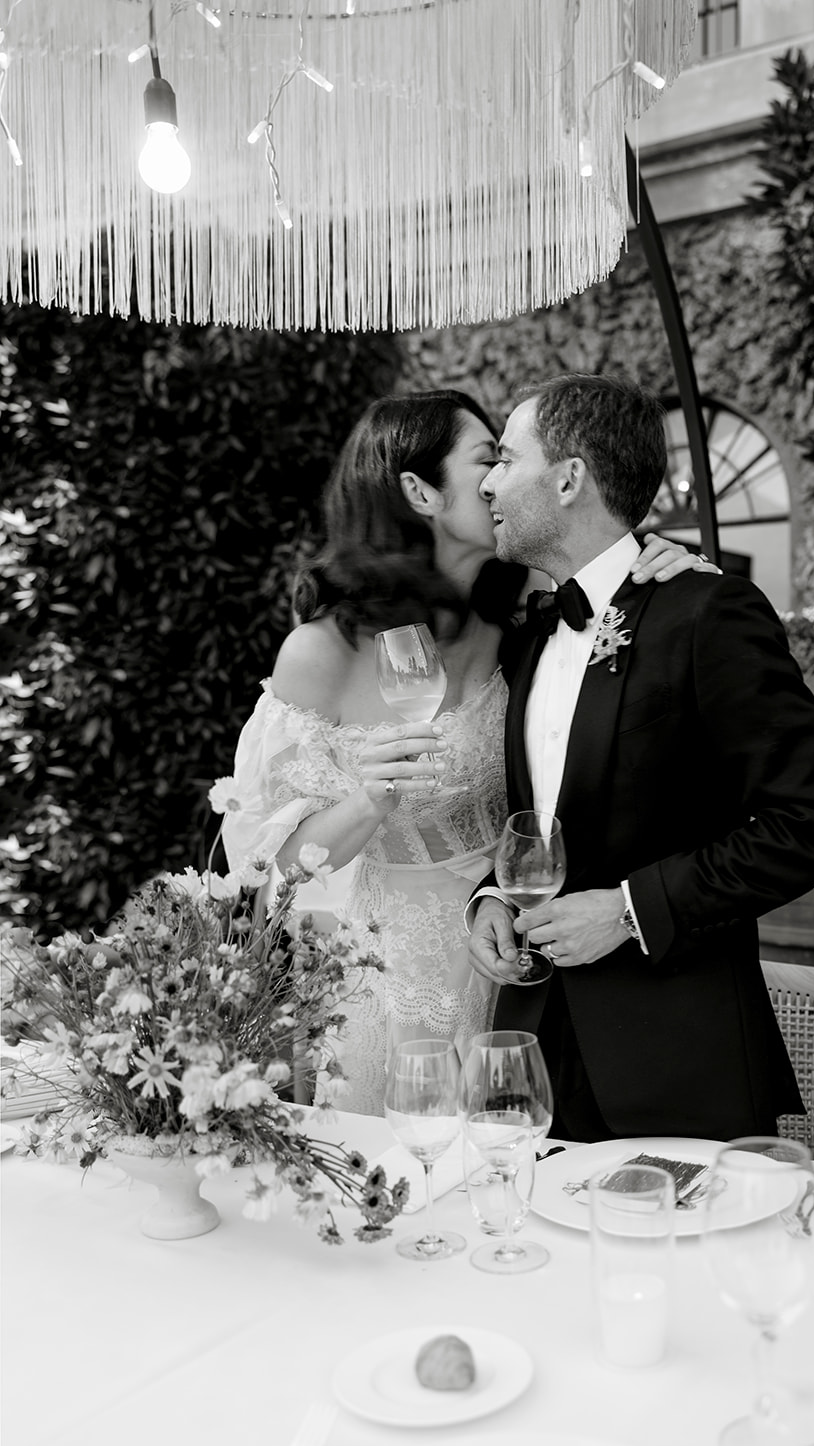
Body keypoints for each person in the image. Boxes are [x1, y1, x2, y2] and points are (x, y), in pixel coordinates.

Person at [217, 389, 711, 1113]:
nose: (500, 480)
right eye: (489, 460)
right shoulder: (321, 653)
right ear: (420, 492)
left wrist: (654, 559)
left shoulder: (525, 620)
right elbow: (267, 868)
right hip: (398, 969)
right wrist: (367, 801)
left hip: (525, 941)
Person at [467, 374, 814, 1142]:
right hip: (534, 1043)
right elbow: (554, 811)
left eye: (505, 460)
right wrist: (492, 895)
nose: (487, 483)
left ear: (568, 478)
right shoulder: (530, 633)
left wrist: (628, 911)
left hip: (674, 1055)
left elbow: (811, 822)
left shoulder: (708, 612)